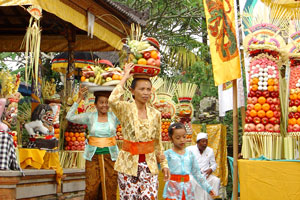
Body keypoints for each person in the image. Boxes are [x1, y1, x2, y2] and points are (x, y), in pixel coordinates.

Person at [108, 63, 170, 199]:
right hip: (128, 165)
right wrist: (124, 77)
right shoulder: (125, 109)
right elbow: (112, 100)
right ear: (132, 91)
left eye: (148, 89)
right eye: (142, 89)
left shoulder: (156, 114)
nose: (146, 92)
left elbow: (158, 143)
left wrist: (164, 164)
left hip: (150, 166)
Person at [66, 85, 119, 200]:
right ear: (95, 104)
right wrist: (79, 99)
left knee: (110, 186)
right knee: (91, 188)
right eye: (101, 102)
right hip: (92, 156)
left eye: (106, 102)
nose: (104, 105)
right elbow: (69, 116)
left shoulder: (114, 117)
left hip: (111, 157)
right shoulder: (90, 116)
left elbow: (129, 115)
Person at [163, 122, 215, 200]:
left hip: (187, 190)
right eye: (178, 138)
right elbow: (161, 167)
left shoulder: (190, 155)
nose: (182, 140)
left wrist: (208, 188)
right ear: (171, 138)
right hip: (173, 190)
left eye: (184, 137)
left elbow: (197, 173)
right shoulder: (168, 154)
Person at [187, 132, 221, 200]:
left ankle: (212, 198)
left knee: (216, 180)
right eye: (203, 141)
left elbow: (214, 164)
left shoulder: (210, 150)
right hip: (193, 175)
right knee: (190, 180)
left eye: (206, 141)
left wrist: (210, 169)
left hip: (206, 176)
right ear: (198, 142)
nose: (205, 143)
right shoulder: (190, 150)